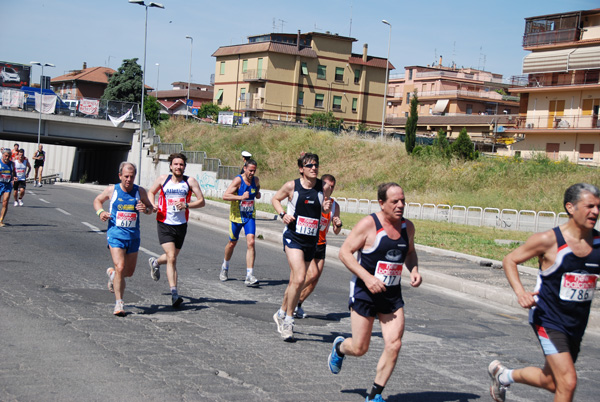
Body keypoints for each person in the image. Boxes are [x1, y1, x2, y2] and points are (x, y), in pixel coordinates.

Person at [488, 183, 600, 402]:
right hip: (548, 319)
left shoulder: (597, 243)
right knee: (568, 382)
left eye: (598, 206)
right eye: (589, 206)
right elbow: (510, 259)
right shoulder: (549, 240)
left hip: (576, 322)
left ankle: (503, 375)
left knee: (552, 382)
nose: (595, 212)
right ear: (570, 207)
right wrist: (521, 293)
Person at [328, 182, 422, 402]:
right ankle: (340, 348)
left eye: (403, 201)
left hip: (391, 296)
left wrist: (414, 269)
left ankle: (374, 395)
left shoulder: (407, 227)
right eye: (394, 201)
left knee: (394, 343)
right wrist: (368, 278)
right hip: (364, 292)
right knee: (360, 348)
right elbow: (344, 253)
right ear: (381, 203)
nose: (400, 205)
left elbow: (410, 252)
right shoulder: (369, 225)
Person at [271, 152, 332, 342]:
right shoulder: (292, 186)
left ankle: (281, 312)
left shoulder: (323, 187)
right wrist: (283, 214)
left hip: (311, 240)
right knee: (299, 277)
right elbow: (275, 199)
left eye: (316, 165)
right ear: (301, 169)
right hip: (293, 238)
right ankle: (289, 321)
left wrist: (327, 210)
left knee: (294, 282)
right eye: (309, 165)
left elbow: (323, 209)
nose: (314, 168)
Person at [93, 162, 154, 316]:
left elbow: (151, 208)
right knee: (120, 267)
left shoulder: (139, 191)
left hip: (133, 236)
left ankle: (113, 276)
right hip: (115, 235)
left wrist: (145, 209)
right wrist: (100, 212)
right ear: (120, 176)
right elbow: (97, 201)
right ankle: (119, 304)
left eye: (132, 177)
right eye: (126, 176)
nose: (129, 179)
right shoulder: (112, 190)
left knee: (128, 272)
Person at [147, 153, 205, 307]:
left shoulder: (190, 181)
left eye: (181, 164)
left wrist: (187, 205)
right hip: (164, 222)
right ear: (171, 166)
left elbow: (201, 201)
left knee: (171, 257)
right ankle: (174, 294)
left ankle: (155, 262)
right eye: (176, 164)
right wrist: (153, 205)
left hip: (181, 224)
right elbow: (150, 192)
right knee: (172, 257)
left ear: (184, 167)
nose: (179, 167)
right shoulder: (163, 180)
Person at [294, 173, 343, 319]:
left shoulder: (335, 205)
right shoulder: (314, 197)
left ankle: (298, 303)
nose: (330, 188)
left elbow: (336, 231)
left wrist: (338, 224)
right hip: (309, 241)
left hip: (321, 244)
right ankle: (291, 295)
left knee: (314, 281)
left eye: (333, 186)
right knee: (311, 274)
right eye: (327, 185)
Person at [220, 158, 261, 286]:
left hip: (249, 216)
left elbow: (257, 189)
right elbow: (225, 196)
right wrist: (240, 197)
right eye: (250, 170)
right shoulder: (238, 180)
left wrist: (257, 193)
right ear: (245, 168)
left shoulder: (255, 180)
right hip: (236, 217)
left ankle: (249, 275)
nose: (252, 173)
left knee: (251, 241)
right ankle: (225, 266)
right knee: (232, 243)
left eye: (254, 171)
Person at [0, 149, 15, 227]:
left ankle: (1, 220)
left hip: (7, 185)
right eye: (6, 155)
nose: (7, 157)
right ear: (2, 155)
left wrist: (14, 178)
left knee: (5, 202)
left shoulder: (12, 164)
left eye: (9, 156)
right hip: (0, 184)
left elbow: (13, 174)